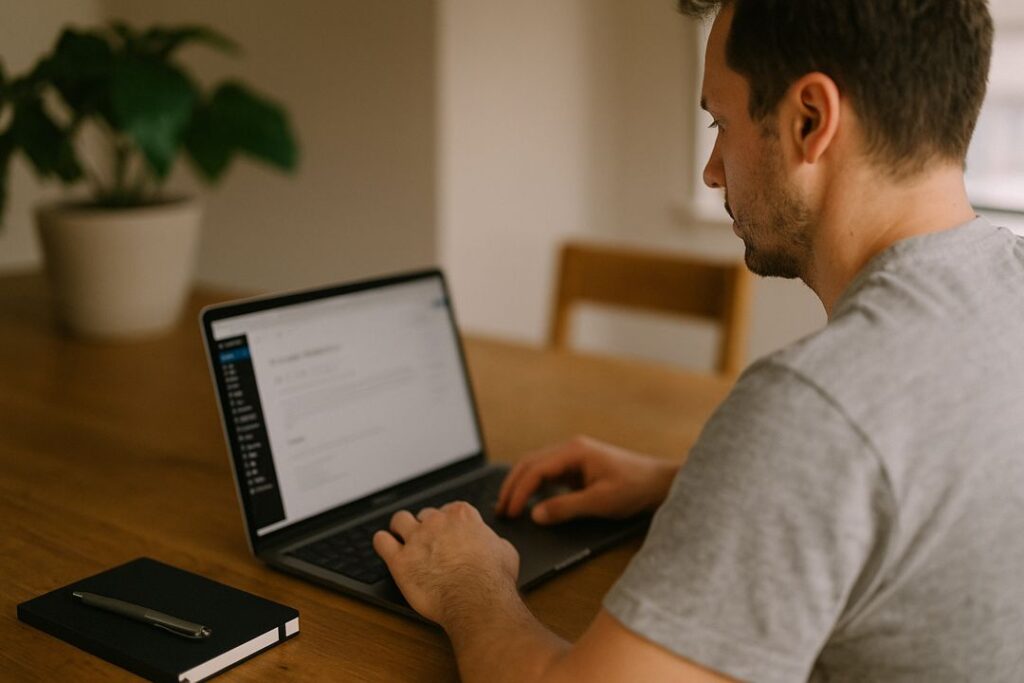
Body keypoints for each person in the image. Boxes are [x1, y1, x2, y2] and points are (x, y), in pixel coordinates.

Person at [372, 0, 1024, 680]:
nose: (712, 169)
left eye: (721, 122)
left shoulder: (819, 407)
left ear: (810, 119)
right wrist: (689, 485)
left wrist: (469, 583)